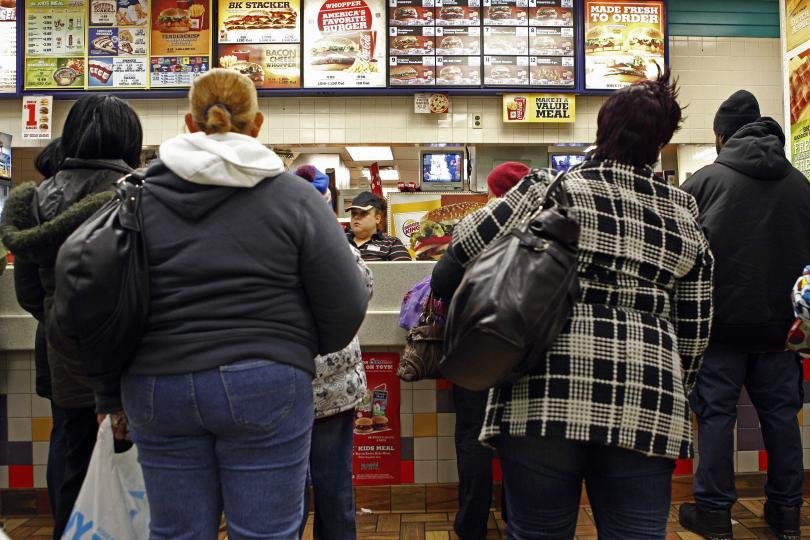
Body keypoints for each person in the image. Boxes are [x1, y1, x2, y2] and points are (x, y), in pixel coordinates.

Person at [432, 69, 714, 539]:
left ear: (602, 129)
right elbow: (696, 328)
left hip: (543, 392)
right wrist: (672, 385)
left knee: (539, 530)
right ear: (662, 141)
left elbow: (463, 245)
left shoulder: (549, 189)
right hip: (648, 396)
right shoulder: (684, 213)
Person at [118, 69, 368, 539]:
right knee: (265, 532)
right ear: (257, 125)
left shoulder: (138, 196)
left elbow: (102, 291)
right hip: (266, 380)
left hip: (156, 384)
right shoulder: (296, 198)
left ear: (188, 123)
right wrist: (294, 349)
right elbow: (346, 303)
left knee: (175, 532)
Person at [0, 99, 142, 539]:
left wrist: (60, 320)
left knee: (69, 446)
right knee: (135, 457)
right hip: (129, 351)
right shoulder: (137, 193)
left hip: (60, 348)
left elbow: (28, 290)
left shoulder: (37, 198)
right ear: (130, 139)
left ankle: (71, 530)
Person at [678, 91, 810, 540]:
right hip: (782, 332)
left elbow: (680, 256)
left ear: (721, 136)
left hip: (719, 330)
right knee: (781, 418)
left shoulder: (702, 184)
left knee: (716, 417)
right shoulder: (801, 184)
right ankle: (786, 512)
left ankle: (714, 514)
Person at [431, 161, 527, 539]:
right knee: (519, 433)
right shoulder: (548, 226)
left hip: (477, 348)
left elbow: (441, 283)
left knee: (474, 435)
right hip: (528, 349)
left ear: (493, 192)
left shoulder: (477, 225)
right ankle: (518, 516)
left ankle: (472, 523)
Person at [295, 164, 372, 540]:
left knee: (286, 494)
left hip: (283, 381)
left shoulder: (267, 239)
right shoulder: (337, 246)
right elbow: (362, 291)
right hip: (333, 386)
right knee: (335, 488)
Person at [346, 191, 412, 261]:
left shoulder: (391, 243)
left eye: (363, 213)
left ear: (377, 219)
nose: (356, 217)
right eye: (354, 213)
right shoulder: (340, 241)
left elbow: (404, 267)